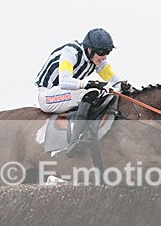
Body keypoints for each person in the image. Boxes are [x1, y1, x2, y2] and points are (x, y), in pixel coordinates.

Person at [35, 28, 126, 156]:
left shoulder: (96, 60)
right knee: (88, 93)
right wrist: (89, 84)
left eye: (108, 52)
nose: (104, 56)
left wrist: (125, 86)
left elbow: (115, 81)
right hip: (48, 96)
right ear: (90, 50)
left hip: (65, 94)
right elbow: (64, 82)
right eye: (102, 52)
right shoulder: (71, 52)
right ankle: (74, 141)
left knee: (103, 94)